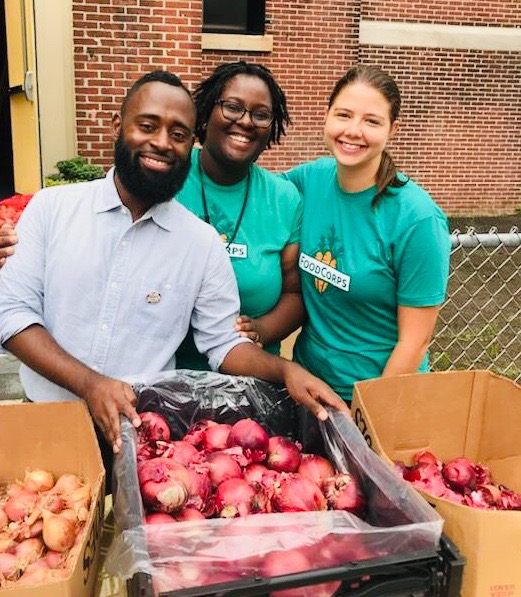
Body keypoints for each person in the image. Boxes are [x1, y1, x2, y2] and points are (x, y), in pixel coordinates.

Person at [0, 70, 348, 466]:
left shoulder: (200, 244)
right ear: (119, 125)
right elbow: (12, 314)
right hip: (44, 423)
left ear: (191, 144)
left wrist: (285, 371)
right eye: (147, 126)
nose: (162, 143)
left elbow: (221, 342)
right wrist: (90, 384)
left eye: (178, 134)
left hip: (141, 438)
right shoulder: (50, 210)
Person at [269, 64, 451, 403]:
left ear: (392, 129)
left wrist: (365, 416)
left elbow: (415, 343)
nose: (354, 131)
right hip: (308, 386)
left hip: (377, 397)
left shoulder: (417, 219)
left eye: (372, 121)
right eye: (344, 115)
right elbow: (251, 192)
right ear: (327, 116)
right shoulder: (310, 180)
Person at [175, 61, 305, 369]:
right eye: (232, 107)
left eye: (261, 114)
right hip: (165, 378)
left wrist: (261, 331)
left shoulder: (284, 199)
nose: (246, 122)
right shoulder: (170, 179)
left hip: (250, 381)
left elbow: (295, 292)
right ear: (206, 113)